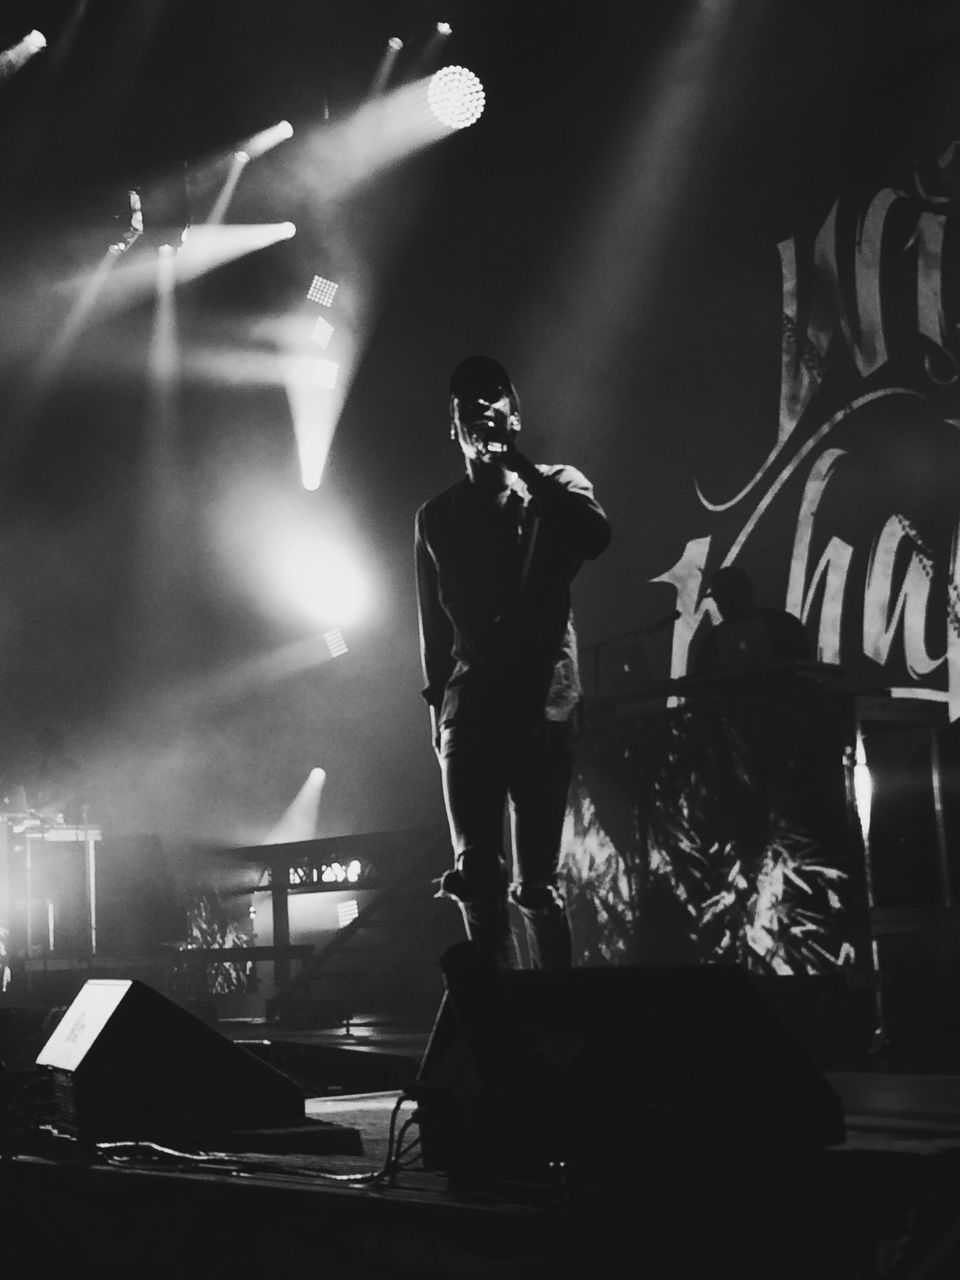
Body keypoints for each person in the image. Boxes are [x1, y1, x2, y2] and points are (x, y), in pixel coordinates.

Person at [415, 355, 611, 970]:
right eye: (465, 402)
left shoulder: (558, 485)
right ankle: (501, 1025)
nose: (478, 408)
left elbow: (595, 538)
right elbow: (433, 628)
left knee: (535, 887)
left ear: (514, 414)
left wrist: (516, 464)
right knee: (477, 876)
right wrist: (438, 724)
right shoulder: (436, 518)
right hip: (470, 711)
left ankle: (556, 1024)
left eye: (492, 396)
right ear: (453, 426)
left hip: (543, 706)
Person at [689, 564, 812, 678]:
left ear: (745, 591)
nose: (724, 602)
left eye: (727, 593)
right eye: (719, 597)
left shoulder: (784, 626)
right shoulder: (785, 624)